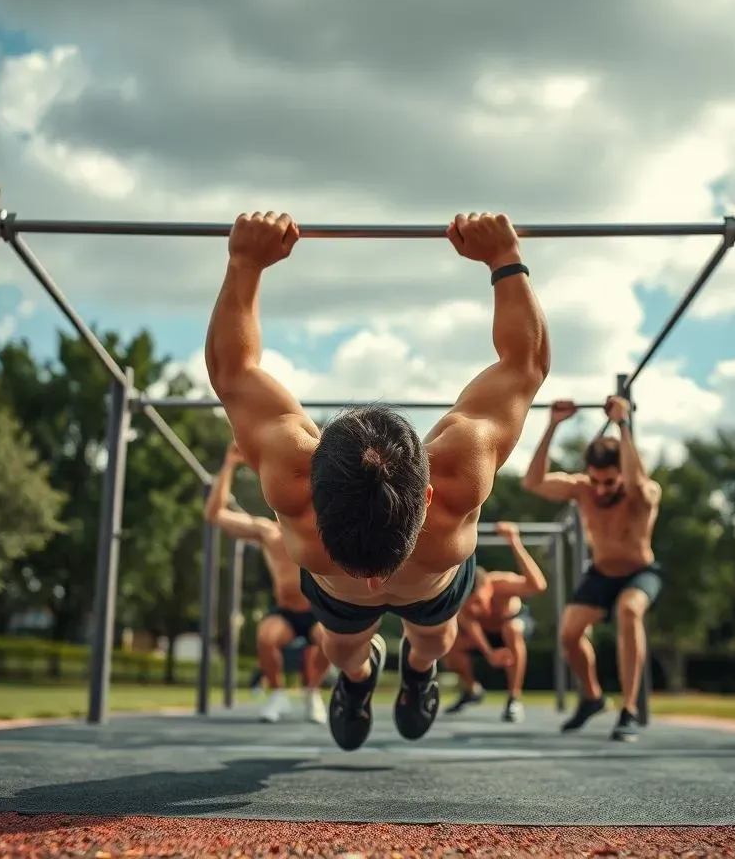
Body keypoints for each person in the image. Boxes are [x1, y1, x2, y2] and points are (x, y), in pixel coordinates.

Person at [205, 210, 550, 751]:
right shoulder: (459, 466)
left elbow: (233, 374)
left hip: (430, 593)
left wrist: (246, 262)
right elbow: (522, 365)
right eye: (363, 571)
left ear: (430, 494)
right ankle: (360, 681)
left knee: (434, 641)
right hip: (359, 603)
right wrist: (502, 258)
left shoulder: (458, 468)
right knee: (342, 652)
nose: (373, 583)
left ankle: (418, 671)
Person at [521, 396, 662, 742]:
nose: (601, 489)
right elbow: (533, 482)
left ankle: (627, 710)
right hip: (600, 573)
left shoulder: (642, 493)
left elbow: (638, 480)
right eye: (596, 480)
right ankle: (592, 696)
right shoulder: (583, 490)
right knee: (568, 635)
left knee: (629, 612)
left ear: (622, 476)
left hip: (639, 573)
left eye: (609, 482)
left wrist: (623, 424)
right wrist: (552, 425)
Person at [203, 440, 332, 724]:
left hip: (317, 610)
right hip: (285, 612)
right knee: (266, 637)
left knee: (328, 640)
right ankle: (277, 695)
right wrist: (229, 465)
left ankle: (312, 693)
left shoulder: (322, 529)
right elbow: (214, 515)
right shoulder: (268, 532)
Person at [442, 521, 548, 723]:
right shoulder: (462, 597)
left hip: (515, 625)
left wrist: (514, 541)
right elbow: (471, 627)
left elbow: (539, 585)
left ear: (487, 588)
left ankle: (514, 698)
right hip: (486, 635)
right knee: (447, 642)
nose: (475, 609)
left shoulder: (501, 583)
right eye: (470, 605)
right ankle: (473, 689)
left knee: (511, 629)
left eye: (479, 602)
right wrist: (490, 654)